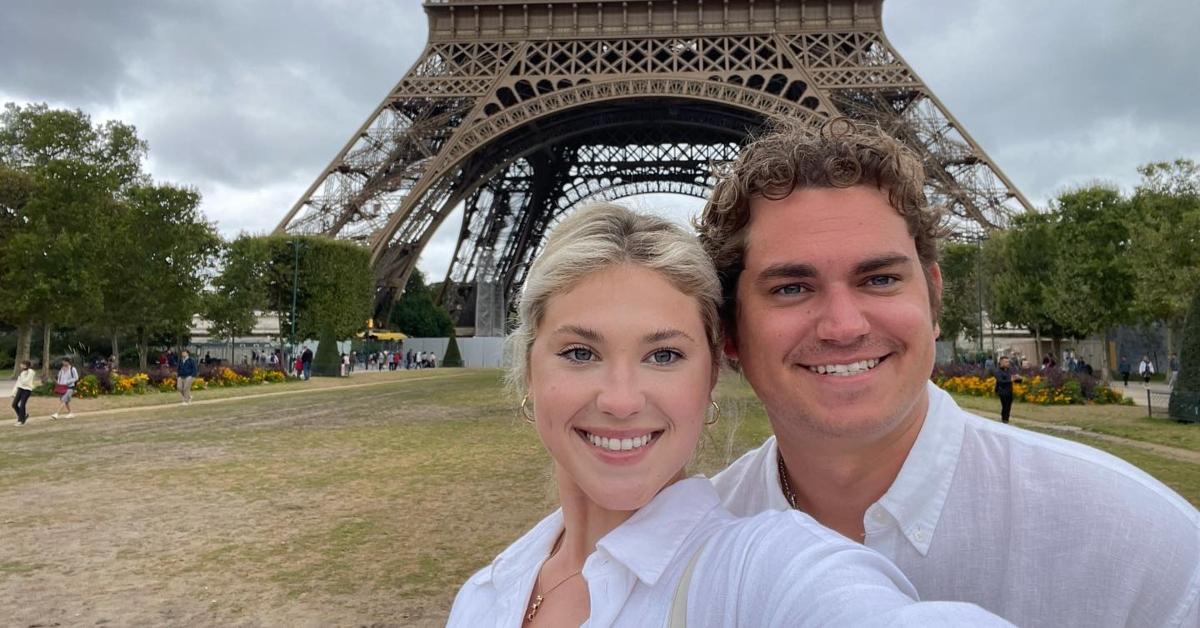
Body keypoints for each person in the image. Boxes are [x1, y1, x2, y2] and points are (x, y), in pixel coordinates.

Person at [698, 117, 1200, 627]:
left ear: (933, 298)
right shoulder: (688, 551)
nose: (843, 326)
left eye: (879, 279)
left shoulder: (1145, 548)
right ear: (731, 331)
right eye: (791, 288)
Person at [447, 204, 1006, 628]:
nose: (620, 399)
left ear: (712, 373)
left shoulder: (758, 570)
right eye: (579, 353)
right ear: (528, 365)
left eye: (664, 355)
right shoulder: (484, 595)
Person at [11, 360, 36, 426]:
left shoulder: (31, 372)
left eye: (21, 364)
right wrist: (13, 392)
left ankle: (20, 421)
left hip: (27, 390)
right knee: (14, 404)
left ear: (25, 365)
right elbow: (18, 383)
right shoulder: (22, 373)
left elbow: (26, 381)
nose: (20, 365)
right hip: (20, 389)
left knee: (22, 404)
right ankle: (23, 416)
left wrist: (21, 380)